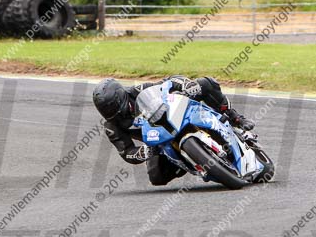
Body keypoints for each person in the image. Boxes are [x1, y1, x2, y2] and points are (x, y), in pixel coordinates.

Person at [92, 76, 254, 186]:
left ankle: (235, 117)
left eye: (111, 106)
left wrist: (185, 85)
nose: (110, 112)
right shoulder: (112, 127)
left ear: (120, 96)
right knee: (156, 178)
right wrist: (143, 152)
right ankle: (187, 161)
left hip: (175, 115)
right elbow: (126, 152)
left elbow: (167, 82)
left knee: (205, 83)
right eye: (105, 110)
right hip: (158, 143)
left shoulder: (137, 91)